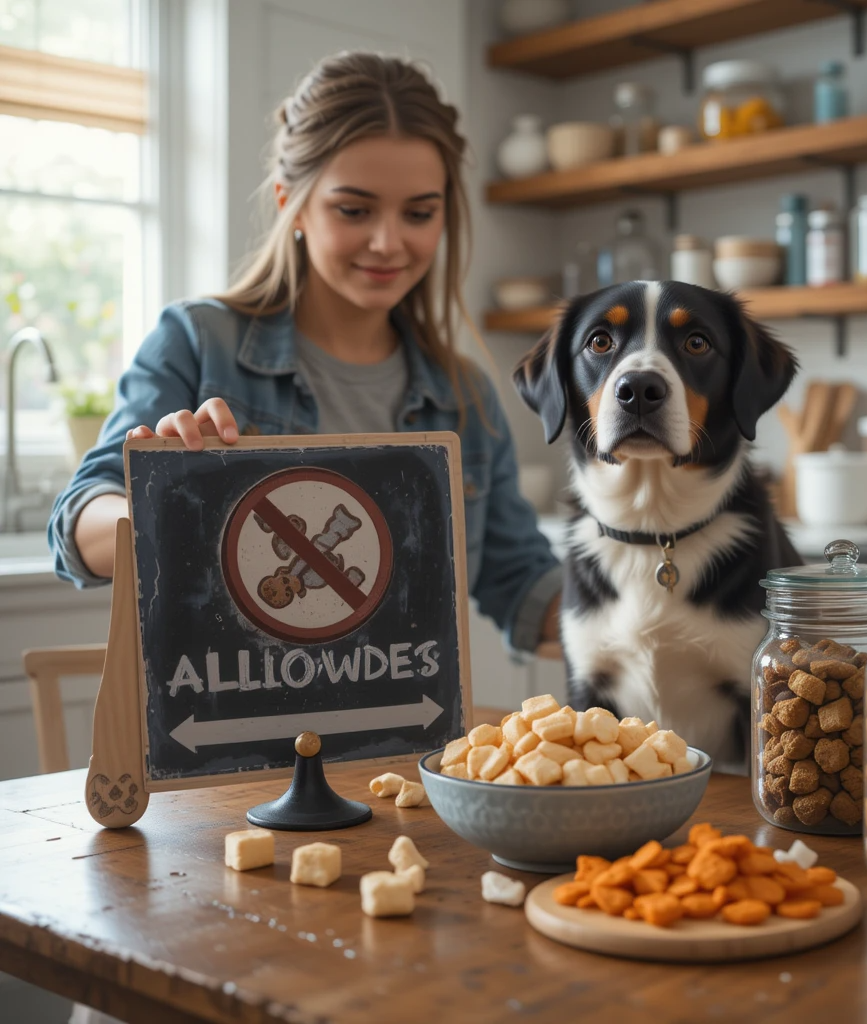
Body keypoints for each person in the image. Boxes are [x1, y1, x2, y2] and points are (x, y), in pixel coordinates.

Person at [48, 51, 562, 660]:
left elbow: (523, 585)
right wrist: (163, 499)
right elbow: (78, 531)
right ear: (291, 199)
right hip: (233, 738)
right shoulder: (196, 340)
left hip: (404, 738)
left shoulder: (465, 392)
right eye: (354, 209)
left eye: (420, 213)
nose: (388, 242)